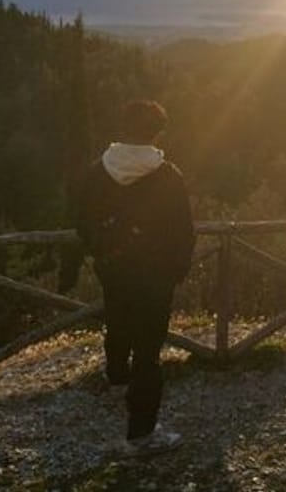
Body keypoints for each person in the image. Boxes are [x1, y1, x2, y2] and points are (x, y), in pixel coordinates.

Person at [76, 100, 196, 455]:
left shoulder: (98, 171)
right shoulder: (168, 175)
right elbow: (184, 232)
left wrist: (102, 254)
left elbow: (82, 222)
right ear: (158, 132)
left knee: (116, 320)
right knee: (148, 352)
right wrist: (176, 271)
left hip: (115, 270)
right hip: (155, 278)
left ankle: (115, 377)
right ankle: (142, 433)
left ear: (124, 127)